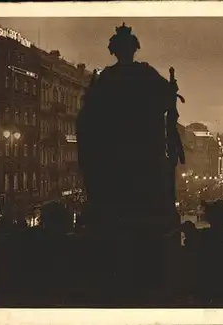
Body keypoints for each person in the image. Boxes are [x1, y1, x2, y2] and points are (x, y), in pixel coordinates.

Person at [77, 23, 181, 232]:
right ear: (134, 49)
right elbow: (166, 99)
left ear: (114, 51)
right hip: (145, 150)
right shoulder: (146, 73)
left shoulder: (106, 77)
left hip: (112, 152)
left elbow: (89, 115)